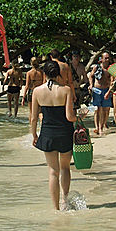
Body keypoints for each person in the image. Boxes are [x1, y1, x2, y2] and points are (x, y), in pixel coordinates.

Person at [30, 58, 81, 210]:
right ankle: (65, 200)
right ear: (58, 74)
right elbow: (69, 117)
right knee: (65, 168)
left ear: (44, 74)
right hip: (65, 132)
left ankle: (55, 208)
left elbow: (33, 118)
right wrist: (80, 117)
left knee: (53, 171)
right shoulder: (66, 90)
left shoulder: (37, 91)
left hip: (47, 132)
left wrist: (34, 135)